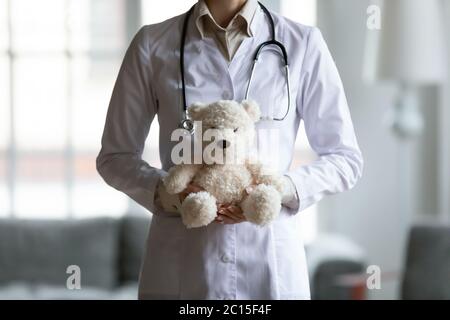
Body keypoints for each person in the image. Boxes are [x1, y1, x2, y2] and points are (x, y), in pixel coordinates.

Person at [97, 0, 363, 300]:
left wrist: (281, 189)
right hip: (183, 267)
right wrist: (171, 194)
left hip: (269, 264)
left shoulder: (302, 43)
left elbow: (344, 158)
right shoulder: (152, 45)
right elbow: (114, 157)